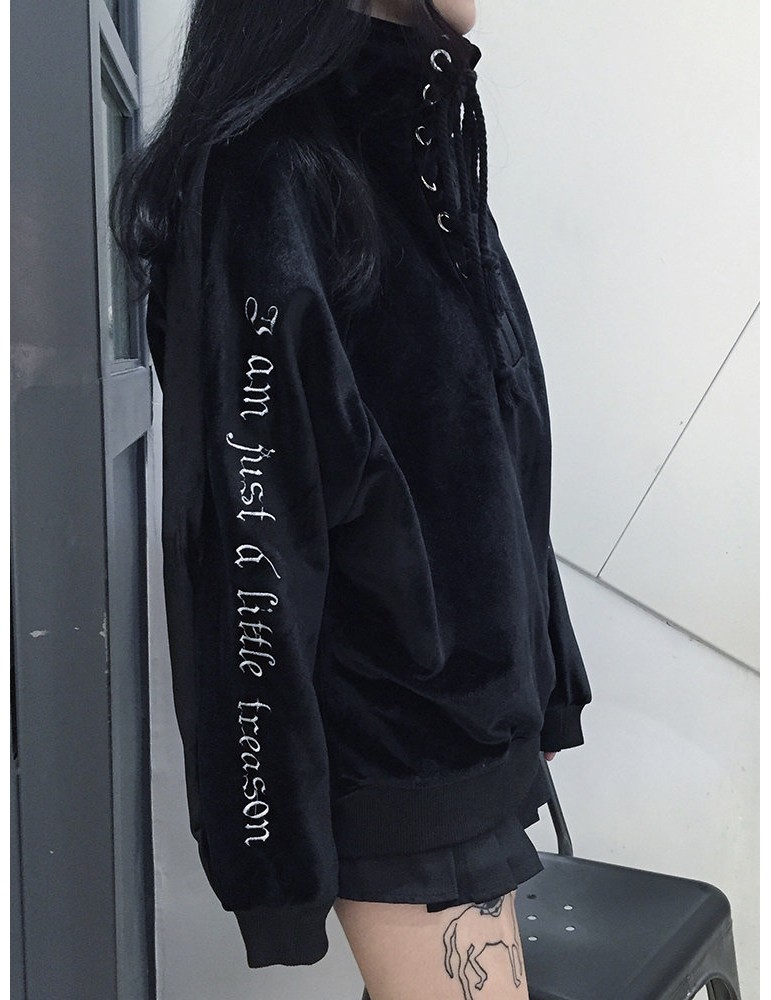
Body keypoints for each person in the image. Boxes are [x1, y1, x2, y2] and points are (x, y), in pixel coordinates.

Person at [110, 0, 592, 996]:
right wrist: (271, 859)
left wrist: (545, 682)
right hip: (403, 766)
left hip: (468, 745)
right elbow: (244, 544)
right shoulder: (272, 174)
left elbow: (486, 464)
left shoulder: (413, 139)